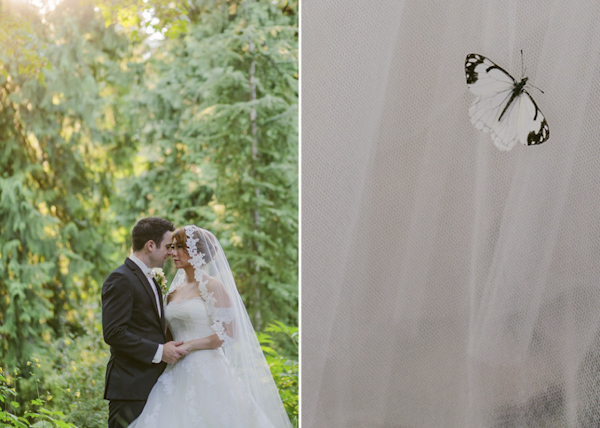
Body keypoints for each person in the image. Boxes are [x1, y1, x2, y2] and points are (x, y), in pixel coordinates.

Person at [127, 225, 292, 427]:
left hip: (208, 369)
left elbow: (228, 333)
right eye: (172, 247)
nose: (172, 253)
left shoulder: (213, 286)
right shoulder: (172, 292)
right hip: (175, 371)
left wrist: (191, 345)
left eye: (179, 247)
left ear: (195, 252)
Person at [102, 217, 189, 428]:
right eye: (168, 246)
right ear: (150, 245)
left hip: (154, 385)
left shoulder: (151, 278)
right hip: (130, 389)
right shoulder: (121, 279)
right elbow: (113, 332)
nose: (171, 252)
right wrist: (160, 352)